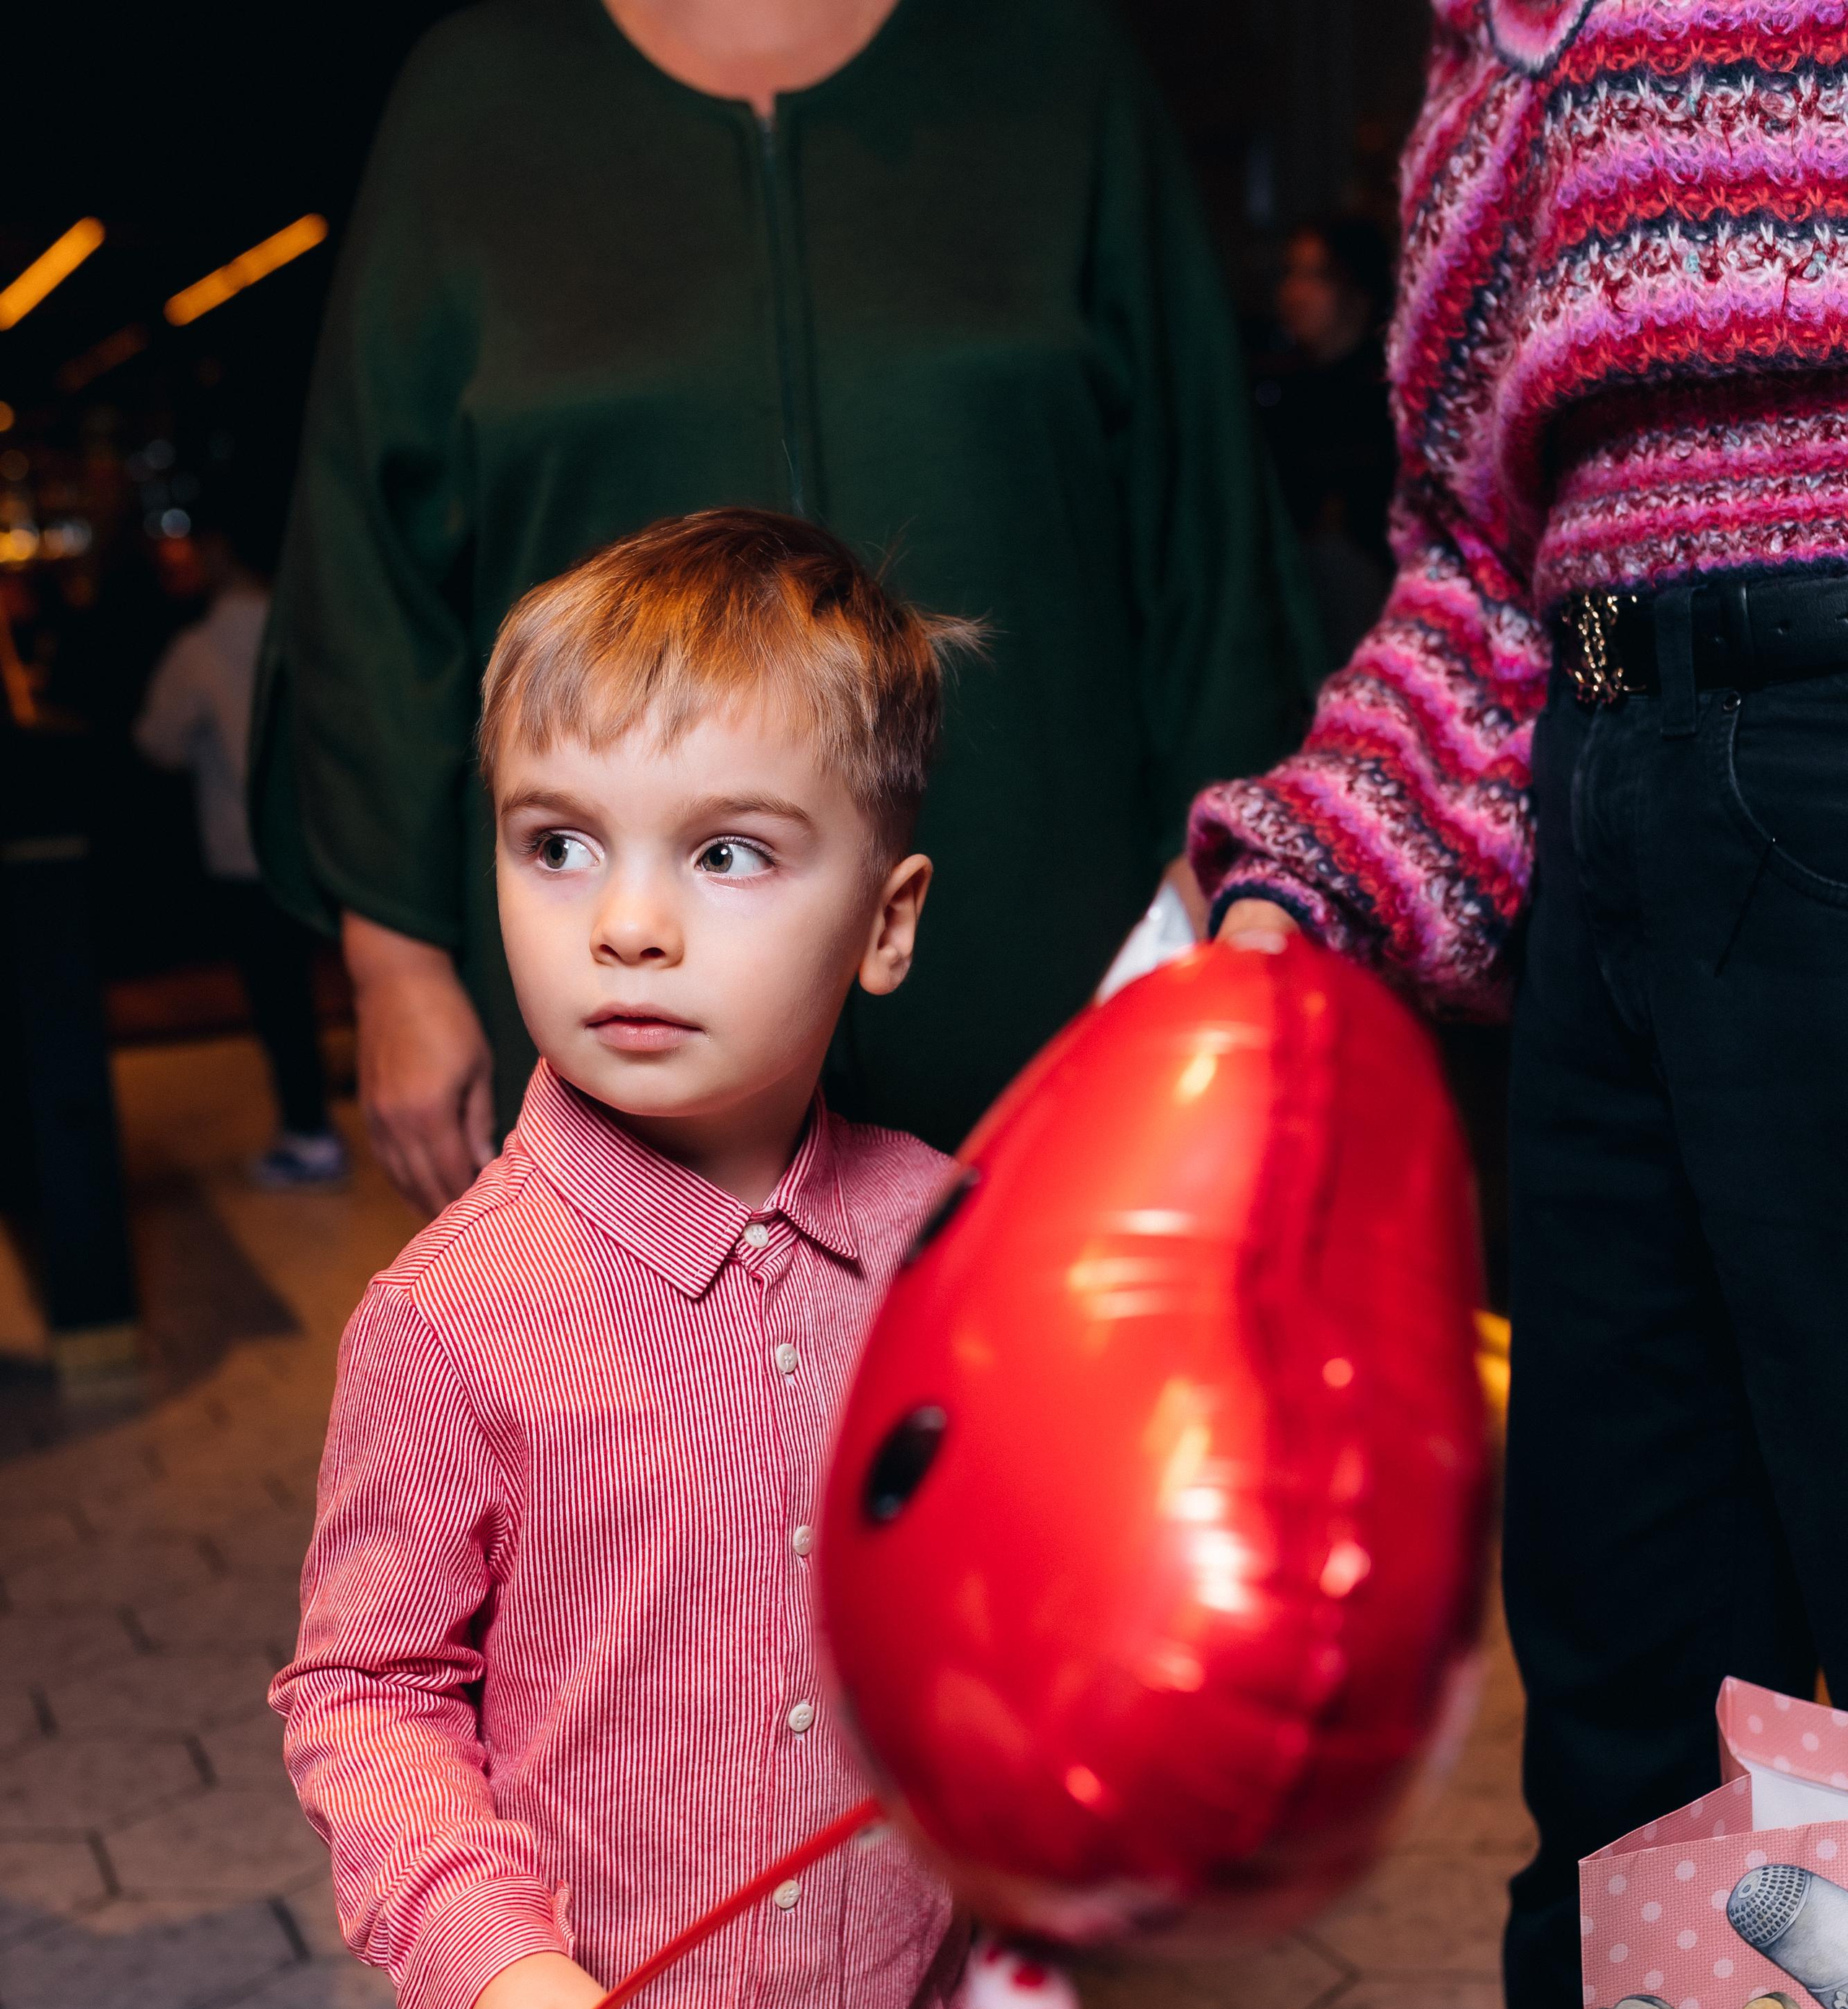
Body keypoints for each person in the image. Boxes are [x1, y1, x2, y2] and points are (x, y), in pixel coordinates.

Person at [1187, 5, 1848, 2009]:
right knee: (1644, 1752)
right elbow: (1485, 570)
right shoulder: (1485, 29)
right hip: (1605, 829)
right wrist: (1293, 903)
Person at [270, 508, 990, 2009]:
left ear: (884, 922)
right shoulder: (447, 1319)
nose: (632, 923)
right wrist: (480, 1962)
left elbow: (1015, 1581)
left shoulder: (955, 1244)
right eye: (558, 841)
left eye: (733, 851)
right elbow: (367, 1693)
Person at [251, 0, 1314, 1212]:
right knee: (635, 1396)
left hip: (1052, 958)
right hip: (623, 992)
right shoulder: (474, 98)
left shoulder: (1057, 69)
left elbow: (1206, 526)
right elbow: (363, 574)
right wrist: (395, 967)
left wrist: (1225, 889)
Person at [134, 501, 347, 1187]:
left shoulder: (198, 648)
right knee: (349, 985)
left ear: (222, 552)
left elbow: (157, 742)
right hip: (331, 843)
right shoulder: (309, 634)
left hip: (245, 848)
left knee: (278, 997)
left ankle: (309, 1132)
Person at [1250, 214, 1398, 668]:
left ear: (1357, 289)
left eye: (1315, 278)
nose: (1294, 294)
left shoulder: (1389, 395)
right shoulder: (1276, 389)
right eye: (1290, 275)